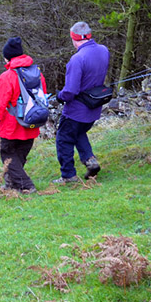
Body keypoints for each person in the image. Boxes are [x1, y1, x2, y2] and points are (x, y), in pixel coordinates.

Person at [0, 37, 46, 194]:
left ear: (7, 57)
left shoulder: (7, 77)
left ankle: (27, 185)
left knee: (9, 158)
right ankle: (11, 185)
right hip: (32, 122)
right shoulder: (38, 74)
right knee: (19, 156)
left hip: (11, 127)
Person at [53, 22, 110, 183]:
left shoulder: (77, 59)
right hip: (94, 108)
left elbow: (70, 91)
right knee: (78, 133)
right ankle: (90, 161)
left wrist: (60, 96)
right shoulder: (103, 51)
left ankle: (68, 175)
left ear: (74, 38)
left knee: (63, 139)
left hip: (76, 111)